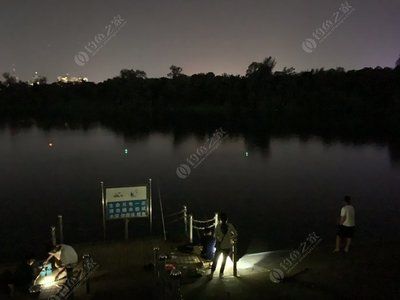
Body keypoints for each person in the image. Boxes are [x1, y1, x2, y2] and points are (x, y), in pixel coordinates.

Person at [210, 213, 237, 279]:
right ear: (227, 219)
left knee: (215, 260)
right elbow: (235, 234)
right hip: (227, 246)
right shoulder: (230, 226)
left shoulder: (218, 226)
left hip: (219, 246)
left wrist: (219, 238)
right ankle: (221, 274)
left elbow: (215, 236)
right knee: (224, 260)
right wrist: (230, 238)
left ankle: (211, 274)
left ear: (220, 219)